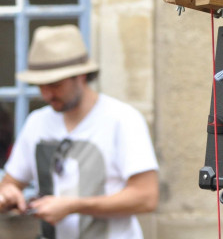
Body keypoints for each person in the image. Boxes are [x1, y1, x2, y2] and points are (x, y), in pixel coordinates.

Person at [0, 25, 159, 239]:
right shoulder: (36, 122)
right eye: (40, 85)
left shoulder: (123, 119)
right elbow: (10, 183)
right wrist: (8, 195)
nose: (47, 94)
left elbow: (146, 197)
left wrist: (73, 206)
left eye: (55, 84)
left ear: (81, 76)